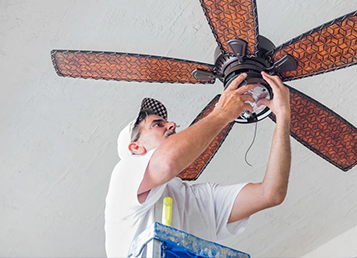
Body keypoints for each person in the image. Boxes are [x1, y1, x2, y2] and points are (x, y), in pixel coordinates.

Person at [104, 72, 291, 257]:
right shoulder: (124, 175)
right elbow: (167, 162)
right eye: (157, 124)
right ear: (136, 147)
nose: (171, 124)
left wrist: (283, 117)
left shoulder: (194, 200)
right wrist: (223, 113)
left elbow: (271, 193)